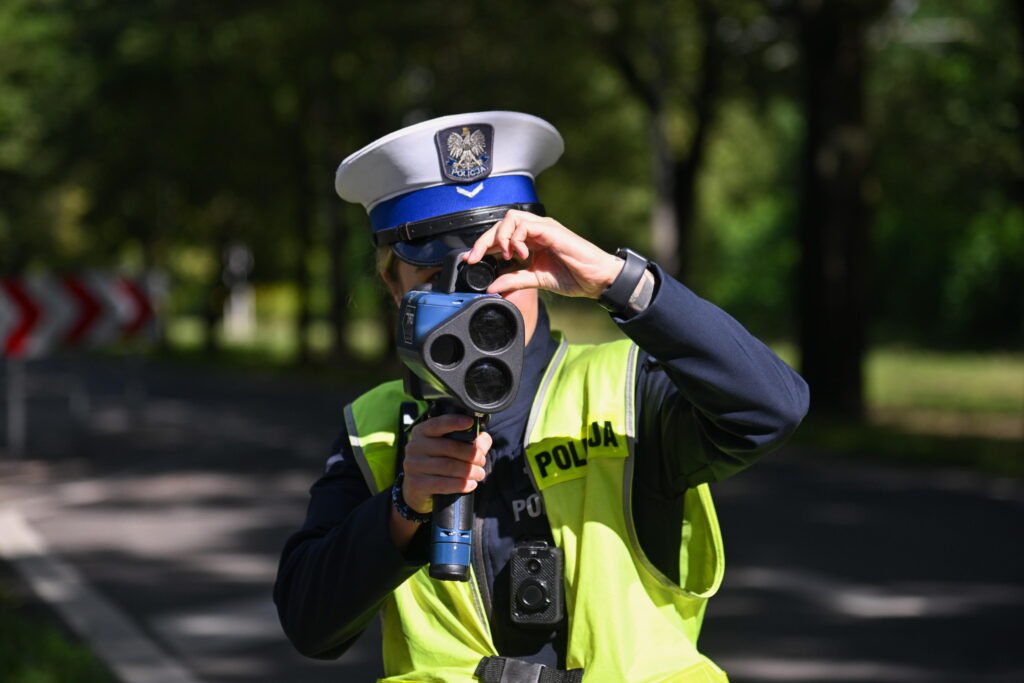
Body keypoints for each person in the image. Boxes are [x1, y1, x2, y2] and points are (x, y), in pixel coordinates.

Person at [274, 111, 809, 683]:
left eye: (492, 267)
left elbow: (773, 408)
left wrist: (618, 282)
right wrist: (403, 508)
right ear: (392, 284)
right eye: (436, 278)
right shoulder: (376, 427)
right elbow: (310, 625)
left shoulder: (631, 388)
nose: (469, 298)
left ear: (538, 257)